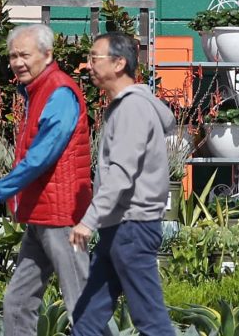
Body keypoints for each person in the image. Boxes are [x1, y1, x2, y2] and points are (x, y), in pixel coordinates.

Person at [0, 23, 93, 336]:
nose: (17, 62)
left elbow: (42, 155)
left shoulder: (60, 92)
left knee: (81, 303)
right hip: (41, 215)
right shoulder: (36, 91)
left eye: (24, 55)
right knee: (18, 301)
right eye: (13, 56)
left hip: (62, 218)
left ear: (48, 54)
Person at [69, 32, 175, 336]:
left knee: (151, 323)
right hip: (120, 228)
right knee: (87, 319)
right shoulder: (126, 106)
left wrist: (89, 221)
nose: (88, 65)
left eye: (94, 58)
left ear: (119, 63)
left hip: (133, 228)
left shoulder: (132, 109)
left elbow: (121, 173)